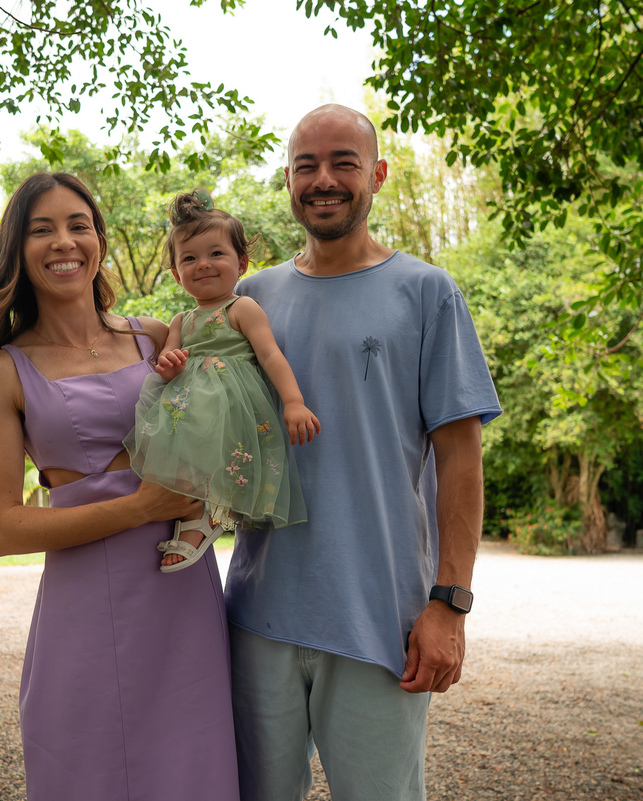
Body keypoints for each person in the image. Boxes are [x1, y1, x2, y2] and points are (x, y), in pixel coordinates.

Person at [225, 105, 503, 801]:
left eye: (343, 162)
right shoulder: (249, 300)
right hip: (258, 615)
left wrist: (450, 603)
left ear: (375, 174)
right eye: (306, 165)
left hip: (382, 615)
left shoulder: (426, 292)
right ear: (287, 179)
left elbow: (461, 460)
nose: (324, 180)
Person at [0, 172, 239, 801]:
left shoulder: (153, 336)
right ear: (19, 249)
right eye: (42, 229)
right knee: (88, 770)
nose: (64, 242)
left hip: (183, 599)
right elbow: (2, 529)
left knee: (195, 770)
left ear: (99, 241)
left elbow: (235, 392)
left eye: (78, 225)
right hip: (84, 609)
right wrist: (140, 505)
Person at [124, 190, 320, 572]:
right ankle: (193, 517)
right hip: (190, 401)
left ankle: (208, 519)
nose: (203, 265)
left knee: (215, 462)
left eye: (216, 254)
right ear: (177, 273)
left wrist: (293, 401)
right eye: (190, 258)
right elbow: (170, 358)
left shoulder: (241, 308)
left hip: (232, 402)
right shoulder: (181, 320)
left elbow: (270, 355)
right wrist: (170, 364)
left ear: (242, 262)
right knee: (180, 461)